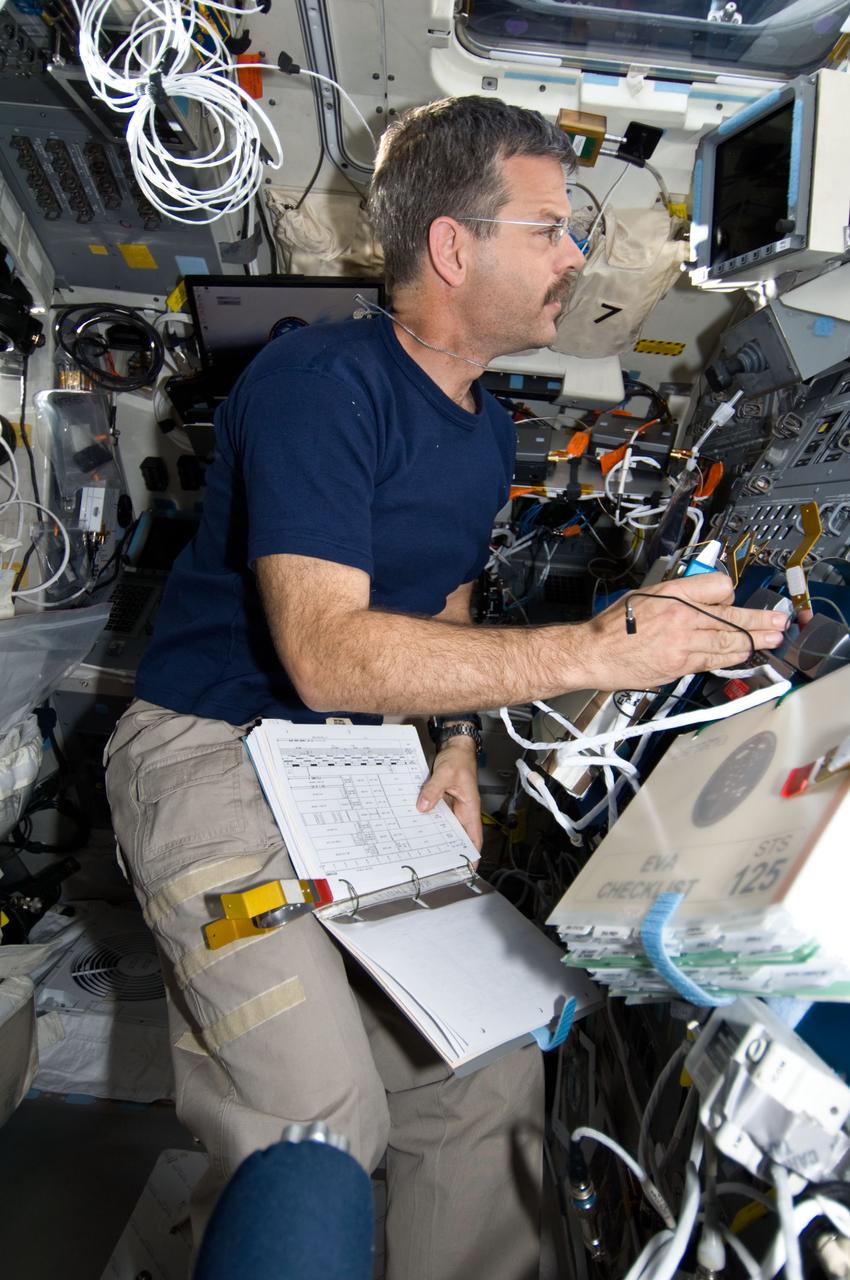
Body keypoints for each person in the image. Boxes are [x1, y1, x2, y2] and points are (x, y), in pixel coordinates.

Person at [105, 96, 788, 1280]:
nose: (575, 255)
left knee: (484, 1067)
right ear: (452, 247)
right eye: (550, 228)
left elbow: (446, 599)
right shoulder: (319, 381)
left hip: (354, 768)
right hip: (213, 753)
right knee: (320, 1121)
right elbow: (326, 652)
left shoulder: (481, 430)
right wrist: (599, 647)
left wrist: (457, 744)